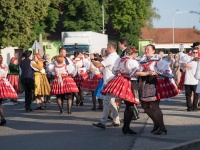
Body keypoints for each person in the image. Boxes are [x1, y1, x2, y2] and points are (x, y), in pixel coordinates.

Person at [136, 44, 179, 135]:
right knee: (145, 106)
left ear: (153, 51)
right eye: (146, 49)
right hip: (144, 84)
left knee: (155, 106)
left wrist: (156, 72)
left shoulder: (158, 60)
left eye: (148, 49)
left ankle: (162, 127)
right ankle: (156, 123)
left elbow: (167, 71)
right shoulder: (142, 60)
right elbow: (137, 71)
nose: (146, 51)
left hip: (153, 84)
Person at [101, 46, 140, 134]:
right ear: (132, 54)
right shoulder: (131, 61)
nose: (136, 55)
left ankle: (125, 127)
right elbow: (135, 73)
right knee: (130, 106)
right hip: (130, 82)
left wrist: (121, 72)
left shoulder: (120, 60)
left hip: (121, 81)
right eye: (135, 53)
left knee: (128, 105)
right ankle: (126, 127)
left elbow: (115, 70)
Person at [91, 42, 120, 129]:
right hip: (112, 81)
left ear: (111, 48)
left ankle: (103, 122)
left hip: (109, 82)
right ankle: (116, 120)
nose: (106, 49)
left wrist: (92, 60)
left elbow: (99, 65)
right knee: (111, 102)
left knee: (106, 102)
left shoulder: (111, 57)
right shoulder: (116, 57)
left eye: (107, 48)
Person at [0, 55, 18, 125]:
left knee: (0, 104)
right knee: (0, 104)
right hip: (3, 84)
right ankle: (2, 118)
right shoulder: (5, 67)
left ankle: (2, 118)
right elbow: (5, 75)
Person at [181, 47, 199, 111]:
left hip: (196, 81)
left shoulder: (199, 60)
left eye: (196, 52)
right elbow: (182, 64)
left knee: (196, 95)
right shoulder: (188, 59)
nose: (195, 54)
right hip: (188, 80)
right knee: (188, 95)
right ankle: (189, 107)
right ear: (191, 52)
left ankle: (195, 107)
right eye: (194, 52)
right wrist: (186, 65)